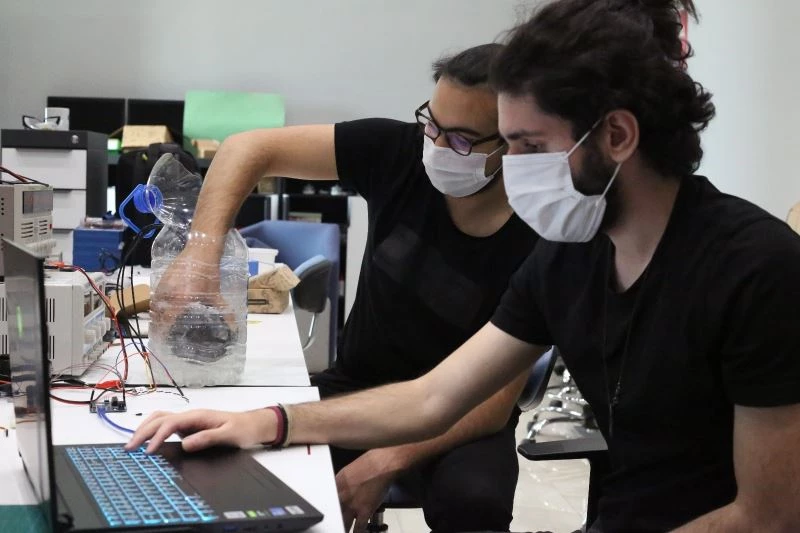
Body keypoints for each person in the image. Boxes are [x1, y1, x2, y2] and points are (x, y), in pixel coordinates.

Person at [129, 0, 800, 531]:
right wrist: (267, 422)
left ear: (617, 135)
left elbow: (769, 517)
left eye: (528, 146)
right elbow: (433, 397)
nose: (514, 169)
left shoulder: (755, 271)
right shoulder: (570, 259)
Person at [149, 43, 539, 533]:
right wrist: (200, 255)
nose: (437, 148)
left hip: (466, 413)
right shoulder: (397, 152)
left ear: (513, 144)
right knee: (226, 462)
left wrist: (385, 460)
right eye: (431, 125)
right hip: (358, 387)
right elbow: (245, 148)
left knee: (474, 502)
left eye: (460, 140)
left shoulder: (540, 233)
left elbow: (490, 403)